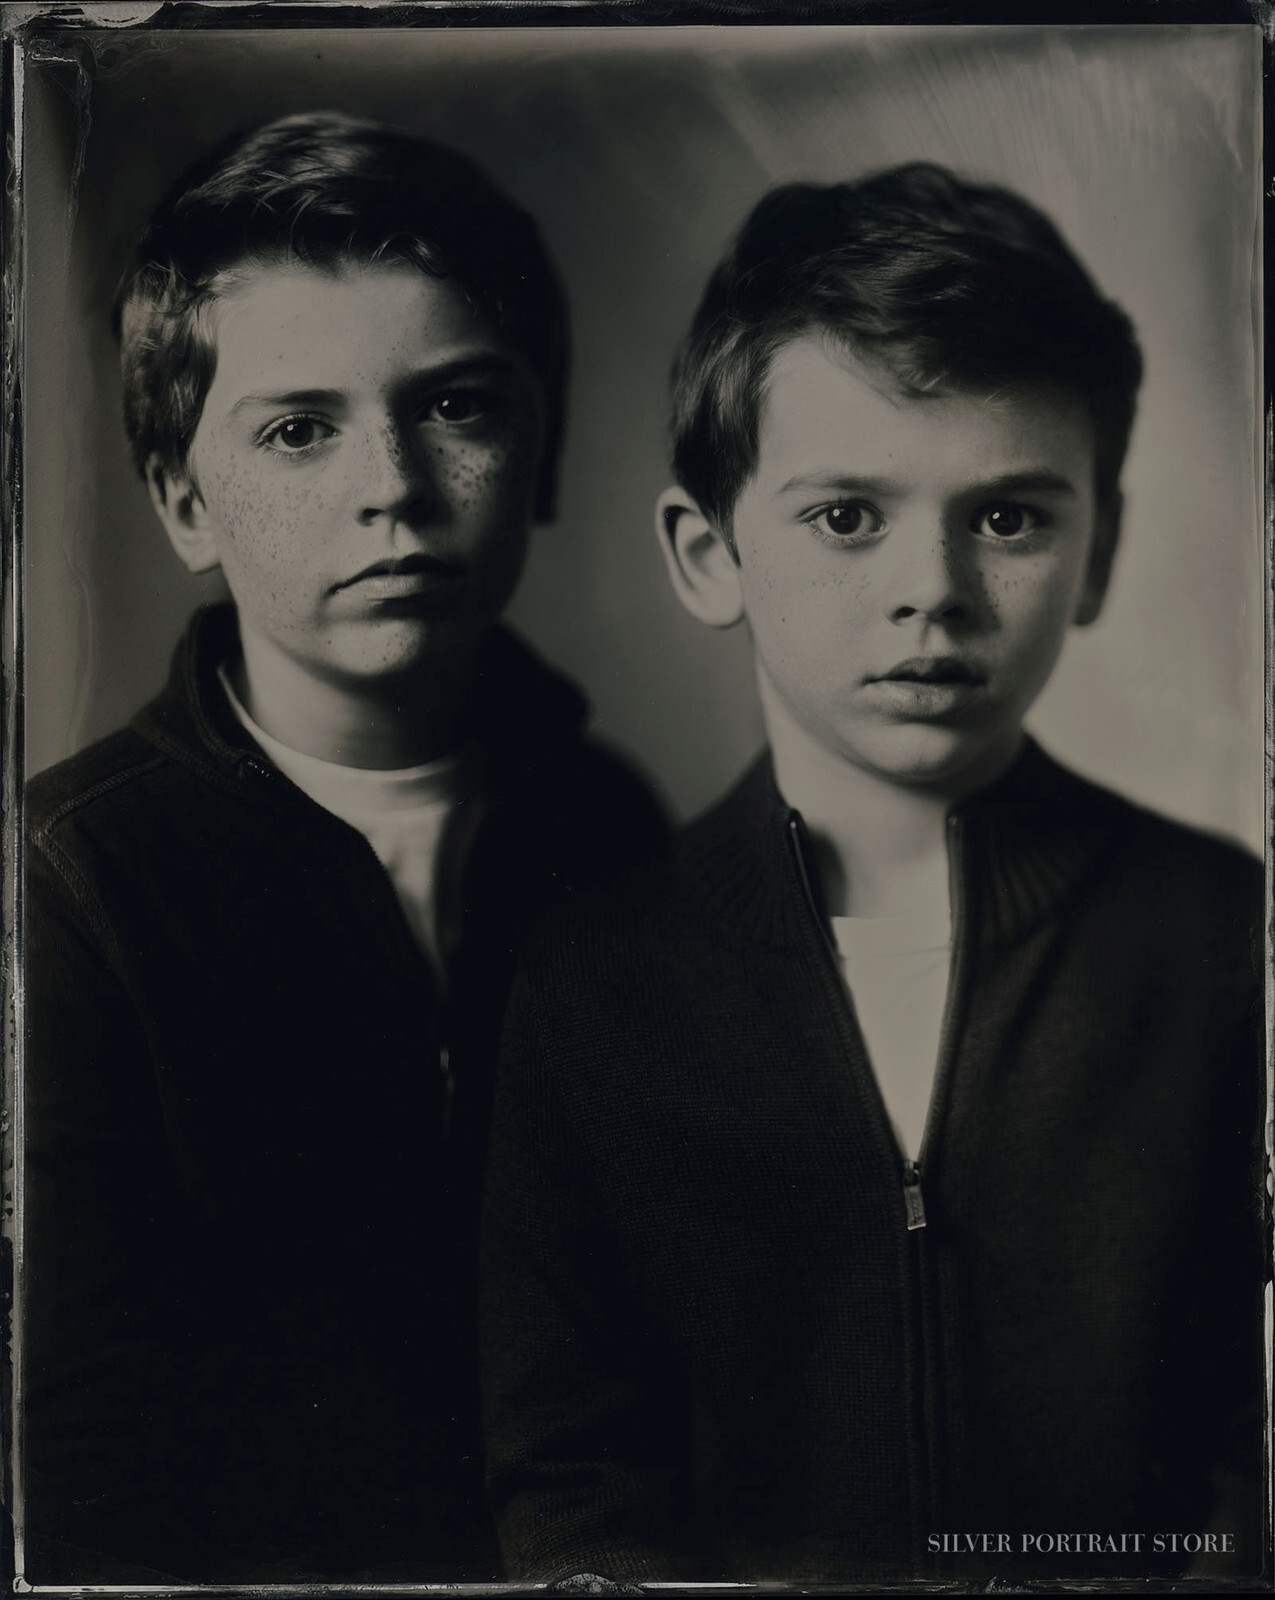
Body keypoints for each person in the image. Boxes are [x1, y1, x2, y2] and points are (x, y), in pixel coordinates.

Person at [480, 164, 1266, 1587]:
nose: (936, 589)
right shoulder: (597, 978)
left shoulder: (1219, 942)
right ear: (708, 553)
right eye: (848, 517)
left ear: (1102, 553)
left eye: (1012, 518)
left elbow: (1251, 1451)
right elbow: (571, 1473)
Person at [21, 111, 666, 1586]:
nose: (392, 482)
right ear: (185, 501)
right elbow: (77, 1467)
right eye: (298, 428)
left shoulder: (606, 825)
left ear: (541, 451)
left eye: (456, 406)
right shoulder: (70, 889)